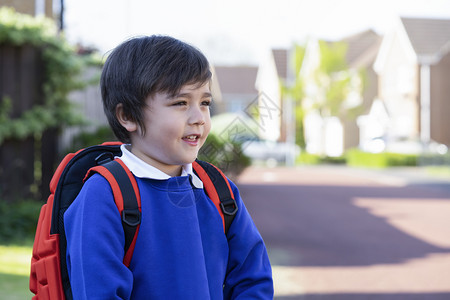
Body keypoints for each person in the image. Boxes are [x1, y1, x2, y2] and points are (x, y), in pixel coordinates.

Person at [64, 35, 274, 299]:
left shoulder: (219, 191)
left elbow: (253, 280)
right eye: (180, 103)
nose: (198, 118)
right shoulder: (103, 196)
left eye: (205, 103)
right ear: (127, 116)